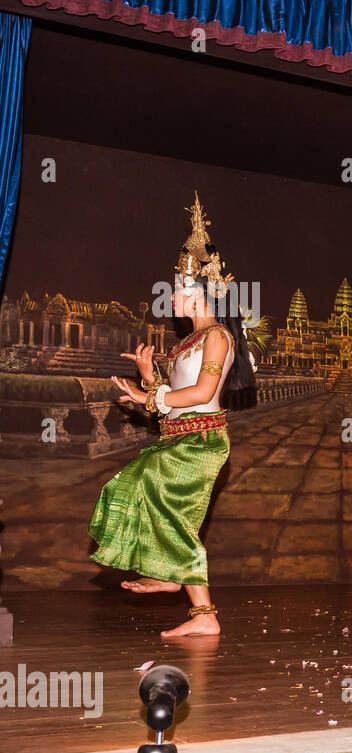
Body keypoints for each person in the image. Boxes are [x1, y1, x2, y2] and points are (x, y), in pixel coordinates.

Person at [90, 192, 256, 637]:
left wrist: (151, 397)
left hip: (203, 442)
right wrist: (147, 379)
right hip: (180, 439)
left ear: (200, 294)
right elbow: (174, 395)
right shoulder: (186, 343)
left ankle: (171, 577)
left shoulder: (218, 337)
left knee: (151, 491)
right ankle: (201, 614)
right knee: (149, 497)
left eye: (178, 290)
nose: (171, 297)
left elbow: (201, 392)